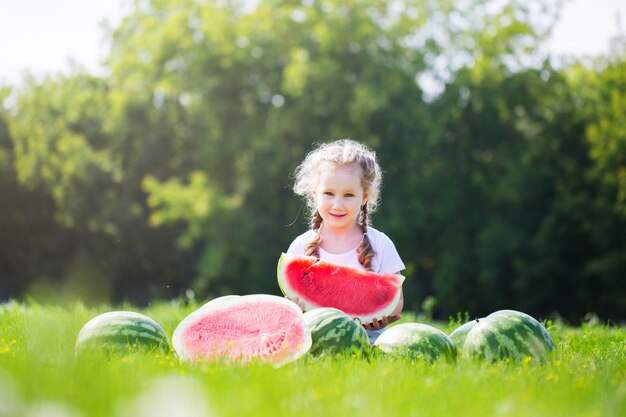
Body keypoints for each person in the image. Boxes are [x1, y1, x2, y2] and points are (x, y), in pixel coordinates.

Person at [286, 138, 405, 344]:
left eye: (348, 195)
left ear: (364, 197)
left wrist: (382, 317)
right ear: (315, 195)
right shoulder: (300, 247)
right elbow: (290, 308)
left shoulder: (381, 244)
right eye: (329, 193)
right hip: (316, 341)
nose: (337, 204)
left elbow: (396, 303)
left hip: (371, 341)